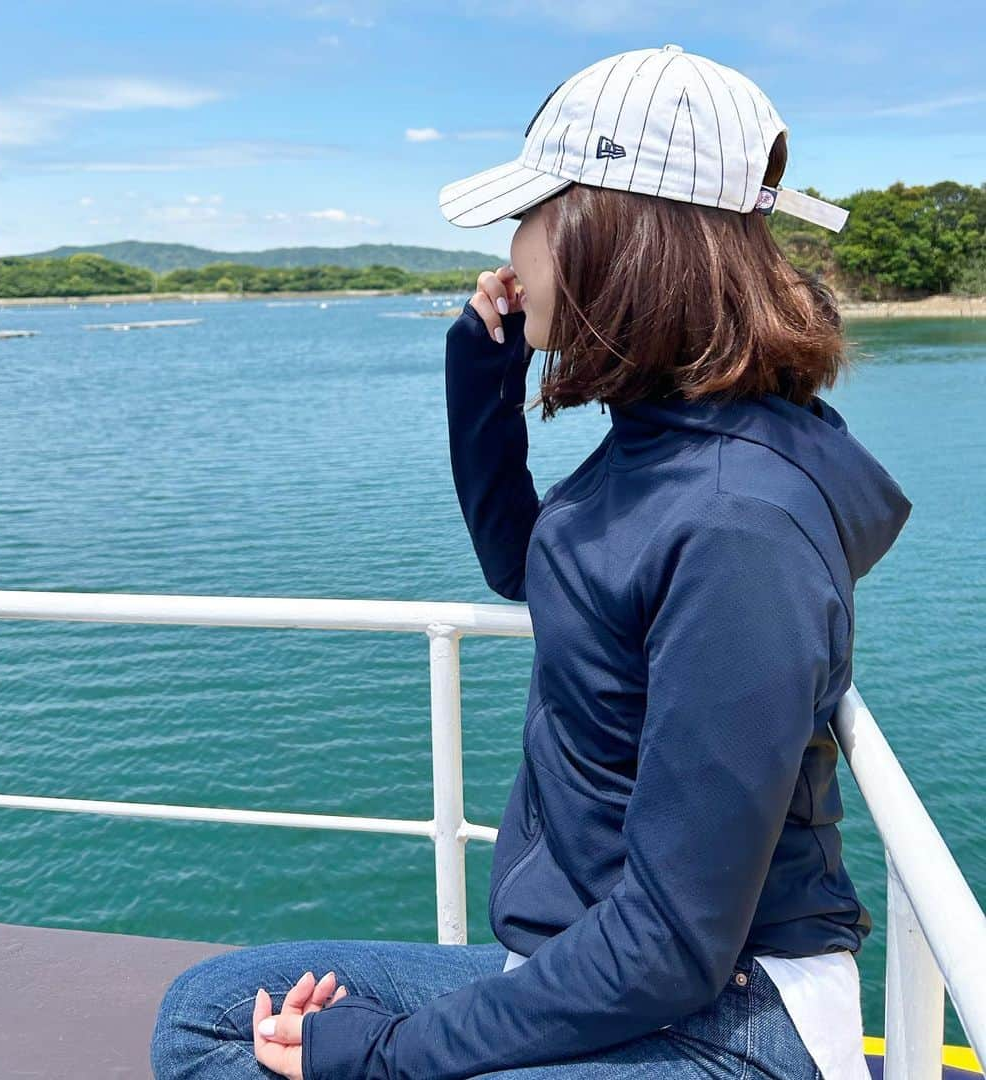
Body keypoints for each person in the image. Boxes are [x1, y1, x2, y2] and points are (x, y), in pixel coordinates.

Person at [150, 44, 913, 1080]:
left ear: (610, 235)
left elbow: (676, 939)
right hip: (591, 965)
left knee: (258, 1053)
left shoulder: (737, 521)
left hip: (720, 1016)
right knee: (209, 1016)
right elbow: (533, 565)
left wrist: (385, 1055)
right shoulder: (661, 446)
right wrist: (485, 377)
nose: (511, 250)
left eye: (531, 215)